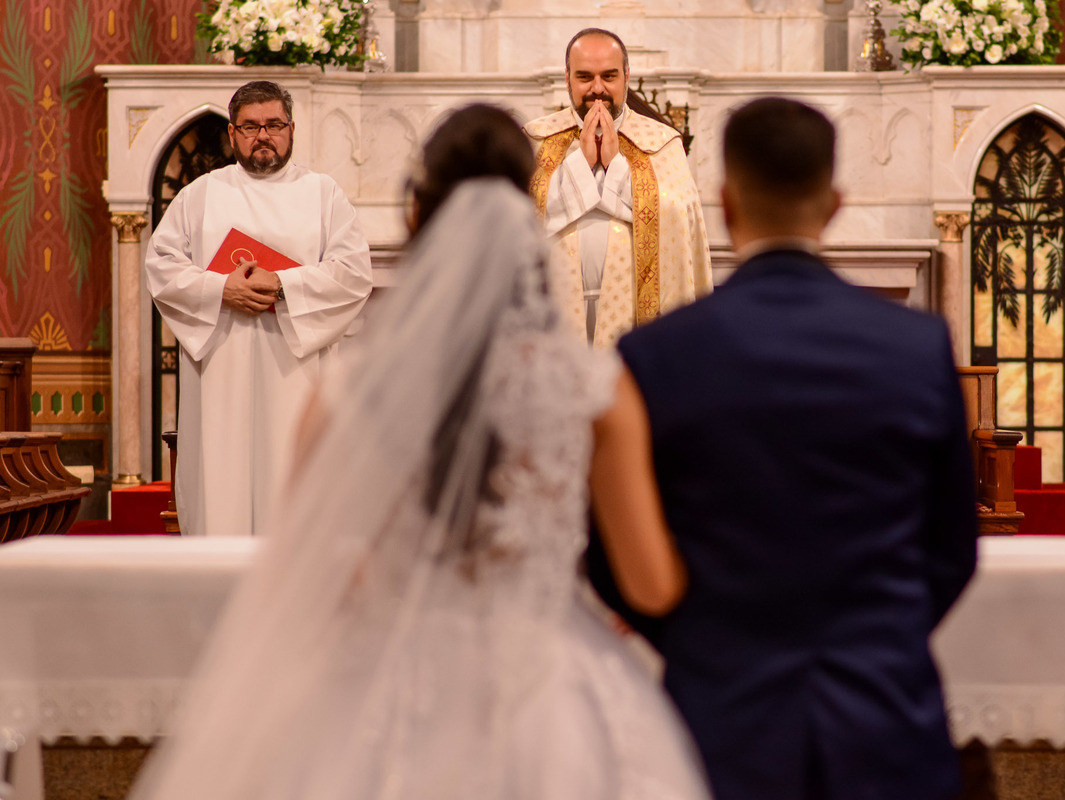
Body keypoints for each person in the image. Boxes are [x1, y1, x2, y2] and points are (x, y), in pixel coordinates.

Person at [129, 104, 710, 800]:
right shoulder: (592, 390)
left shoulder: (346, 394)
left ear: (418, 216)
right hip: (548, 693)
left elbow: (306, 576)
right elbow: (650, 585)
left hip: (391, 695)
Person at [587, 97, 979, 800]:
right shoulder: (916, 347)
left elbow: (613, 559)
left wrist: (701, 642)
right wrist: (875, 636)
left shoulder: (656, 355)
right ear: (832, 204)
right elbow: (953, 545)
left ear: (727, 203)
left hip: (720, 718)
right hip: (883, 716)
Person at [144, 80, 373, 537]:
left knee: (293, 486)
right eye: (250, 126)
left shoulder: (323, 194)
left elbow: (353, 274)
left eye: (273, 124)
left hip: (297, 371)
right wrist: (220, 290)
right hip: (221, 370)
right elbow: (161, 268)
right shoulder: (200, 195)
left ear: (291, 129)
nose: (262, 135)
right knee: (220, 489)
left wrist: (284, 284)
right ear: (232, 134)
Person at [524, 27, 712, 348]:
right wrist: (579, 165)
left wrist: (617, 166)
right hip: (555, 312)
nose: (598, 89)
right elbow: (519, 220)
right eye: (585, 76)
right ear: (567, 78)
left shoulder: (662, 142)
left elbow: (680, 221)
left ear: (627, 75)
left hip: (633, 312)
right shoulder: (537, 140)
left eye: (609, 76)